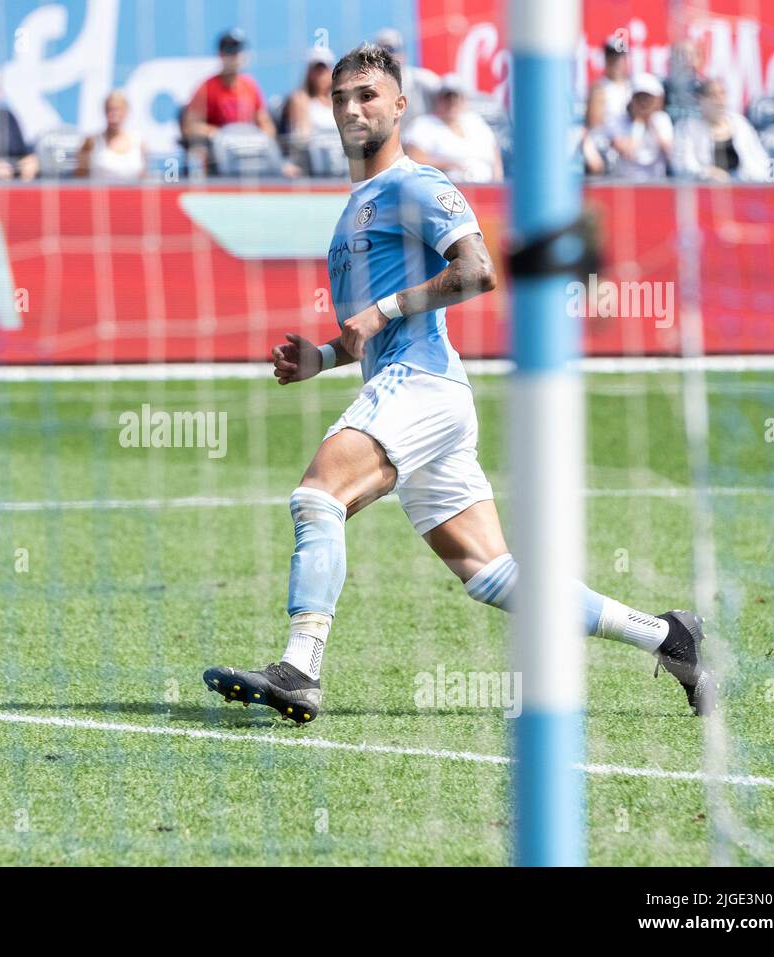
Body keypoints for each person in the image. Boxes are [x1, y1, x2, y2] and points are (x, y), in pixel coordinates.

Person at [202, 43, 711, 724]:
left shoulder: (417, 184)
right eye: (341, 97)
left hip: (423, 384)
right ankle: (670, 635)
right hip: (416, 391)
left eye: (368, 95)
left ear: (399, 106)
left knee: (318, 496)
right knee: (492, 574)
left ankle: (301, 668)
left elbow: (477, 270)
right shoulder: (352, 209)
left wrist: (380, 308)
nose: (352, 107)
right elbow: (366, 332)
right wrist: (321, 358)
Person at [181, 29, 276, 171]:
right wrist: (219, 135)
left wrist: (258, 139)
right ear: (220, 54)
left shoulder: (250, 86)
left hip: (249, 152)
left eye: (238, 50)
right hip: (219, 157)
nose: (235, 56)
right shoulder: (206, 88)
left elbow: (266, 124)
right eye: (229, 51)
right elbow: (190, 127)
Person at [403, 74, 503, 182]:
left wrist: (497, 185)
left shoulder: (475, 122)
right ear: (438, 100)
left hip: (486, 189)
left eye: (457, 97)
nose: (453, 102)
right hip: (446, 188)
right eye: (447, 98)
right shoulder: (423, 125)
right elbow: (414, 160)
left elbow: (495, 157)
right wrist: (450, 165)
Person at [674, 78, 771, 182]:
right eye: (713, 95)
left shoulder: (741, 124)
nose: (720, 100)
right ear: (701, 100)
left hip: (743, 189)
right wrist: (707, 173)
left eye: (722, 94)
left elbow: (761, 160)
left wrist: (743, 179)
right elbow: (683, 166)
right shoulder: (687, 128)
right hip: (703, 190)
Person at [602, 73, 672, 179]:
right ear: (632, 99)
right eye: (639, 97)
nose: (644, 102)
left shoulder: (661, 120)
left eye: (648, 98)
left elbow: (670, 153)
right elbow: (629, 152)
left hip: (656, 185)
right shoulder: (617, 121)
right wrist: (639, 123)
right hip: (625, 185)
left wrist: (654, 124)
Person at [373, 28, 438, 130]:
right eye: (379, 52)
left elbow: (455, 103)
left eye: (390, 50)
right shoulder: (369, 87)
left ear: (403, 54)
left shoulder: (423, 80)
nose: (384, 56)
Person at [75, 90, 146, 181]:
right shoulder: (91, 141)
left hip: (131, 194)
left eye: (118, 109)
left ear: (126, 111)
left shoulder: (138, 141)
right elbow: (79, 178)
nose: (113, 114)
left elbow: (143, 178)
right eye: (109, 109)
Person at [280, 46, 338, 145]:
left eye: (324, 70)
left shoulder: (339, 102)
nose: (321, 75)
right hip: (312, 155)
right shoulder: (300, 99)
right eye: (317, 70)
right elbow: (302, 136)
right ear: (309, 73)